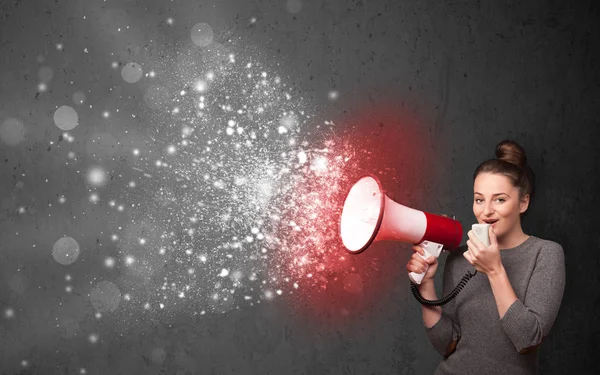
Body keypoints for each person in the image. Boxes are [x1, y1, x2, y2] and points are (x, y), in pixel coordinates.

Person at [406, 140, 565, 374]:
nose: (486, 211)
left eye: (499, 199)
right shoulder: (460, 258)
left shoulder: (546, 254)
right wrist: (426, 285)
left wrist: (494, 271)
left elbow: (528, 340)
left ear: (523, 202)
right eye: (479, 199)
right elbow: (446, 344)